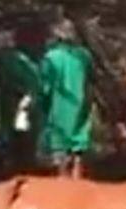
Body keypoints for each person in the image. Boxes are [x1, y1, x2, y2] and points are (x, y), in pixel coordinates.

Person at [0, 16, 48, 177]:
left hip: (32, 114)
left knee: (27, 152)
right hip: (15, 112)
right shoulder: (7, 57)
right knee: (16, 150)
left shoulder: (40, 61)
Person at [39, 20, 93, 179]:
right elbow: (89, 81)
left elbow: (45, 88)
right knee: (78, 155)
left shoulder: (50, 58)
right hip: (81, 109)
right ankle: (78, 189)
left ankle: (63, 192)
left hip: (59, 113)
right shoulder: (84, 55)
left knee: (60, 156)